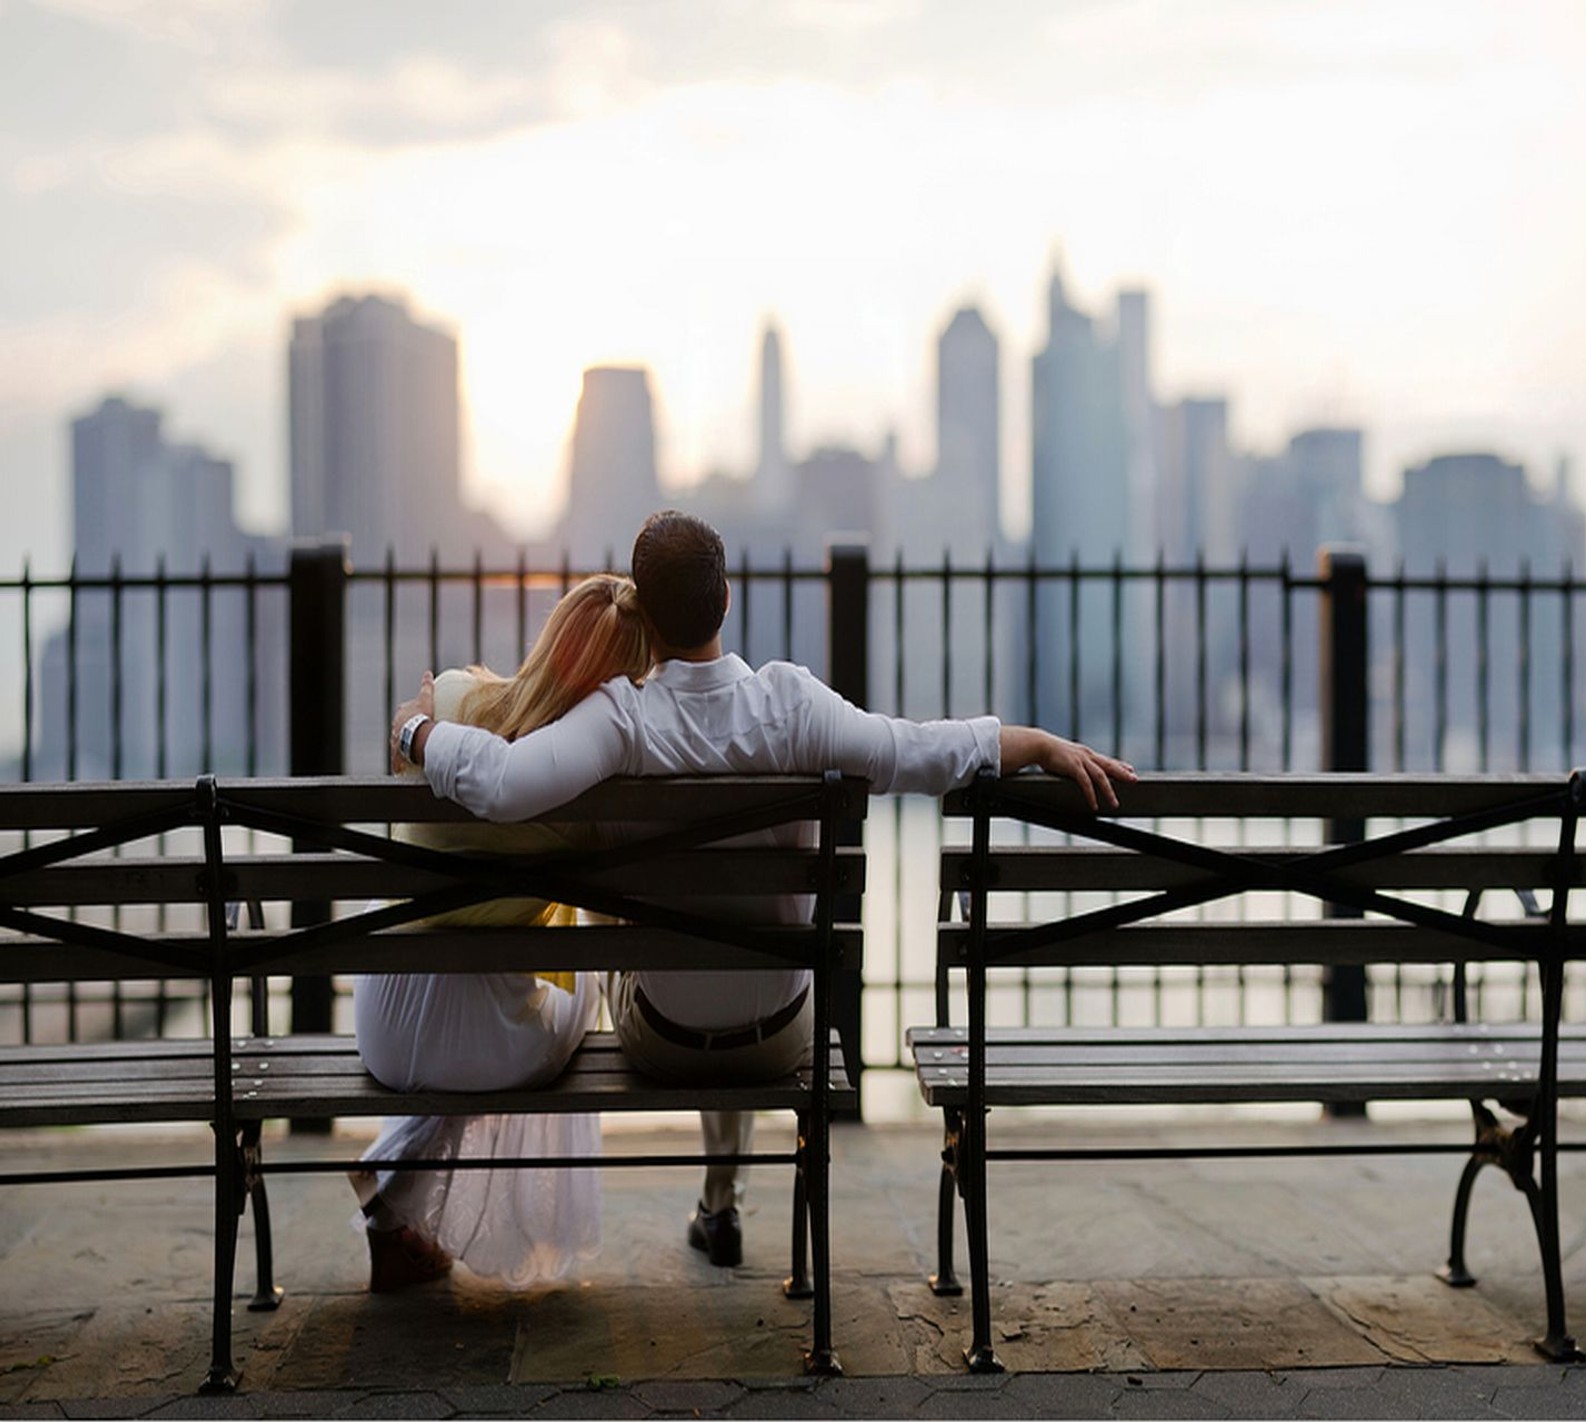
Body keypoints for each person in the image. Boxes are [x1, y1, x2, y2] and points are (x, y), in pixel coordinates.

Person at [390, 510, 1136, 1269]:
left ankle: (713, 1199)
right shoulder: (792, 703)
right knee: (747, 953)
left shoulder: (622, 718)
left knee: (642, 947)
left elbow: (508, 783)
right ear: (727, 602)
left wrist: (417, 732)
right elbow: (918, 751)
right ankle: (721, 1201)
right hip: (781, 1036)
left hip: (664, 1039)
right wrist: (1036, 742)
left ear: (641, 612)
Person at [355, 573, 652, 1291]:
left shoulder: (453, 697)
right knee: (572, 991)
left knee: (508, 982)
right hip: (481, 1043)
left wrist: (418, 725)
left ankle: (395, 1187)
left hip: (385, 1020)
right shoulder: (591, 786)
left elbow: (404, 760)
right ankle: (393, 1174)